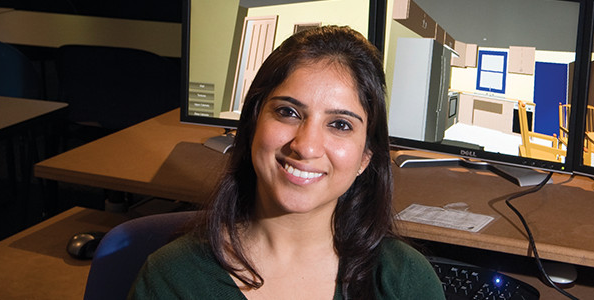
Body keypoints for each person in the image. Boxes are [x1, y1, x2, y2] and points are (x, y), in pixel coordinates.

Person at [129, 26, 445, 299]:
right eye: (288, 112)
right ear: (253, 124)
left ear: (365, 158)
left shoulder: (406, 282)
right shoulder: (172, 281)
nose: (306, 146)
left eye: (340, 125)